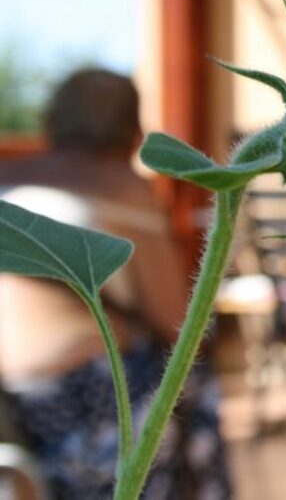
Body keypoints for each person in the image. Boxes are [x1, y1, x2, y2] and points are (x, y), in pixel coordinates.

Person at [0, 69, 232, 498]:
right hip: (79, 398)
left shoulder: (10, 173)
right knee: (193, 382)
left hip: (12, 406)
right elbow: (179, 327)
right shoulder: (123, 188)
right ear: (132, 128)